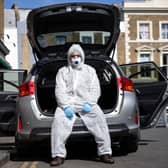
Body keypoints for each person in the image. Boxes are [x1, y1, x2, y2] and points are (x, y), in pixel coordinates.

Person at [50, 44, 114, 166]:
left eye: (78, 55)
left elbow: (95, 89)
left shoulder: (90, 70)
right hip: (67, 104)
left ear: (82, 57)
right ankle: (58, 155)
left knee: (100, 120)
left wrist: (90, 103)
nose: (75, 58)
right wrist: (65, 106)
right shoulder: (62, 71)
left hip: (86, 103)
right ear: (69, 57)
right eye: (73, 56)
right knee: (58, 123)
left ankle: (105, 153)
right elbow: (59, 90)